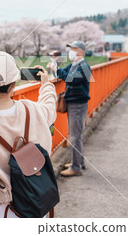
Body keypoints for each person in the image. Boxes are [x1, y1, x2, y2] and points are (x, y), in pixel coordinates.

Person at [0, 50, 57, 218]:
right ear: (15, 83)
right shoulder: (31, 109)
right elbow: (50, 109)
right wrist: (46, 85)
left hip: (6, 212)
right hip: (37, 202)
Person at [50, 41, 91, 178]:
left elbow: (70, 79)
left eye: (74, 49)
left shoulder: (84, 66)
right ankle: (79, 161)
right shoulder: (75, 65)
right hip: (74, 103)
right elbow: (63, 74)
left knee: (75, 136)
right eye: (70, 49)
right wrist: (54, 65)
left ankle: (76, 167)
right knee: (75, 134)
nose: (71, 52)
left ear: (82, 52)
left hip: (78, 104)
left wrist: (56, 69)